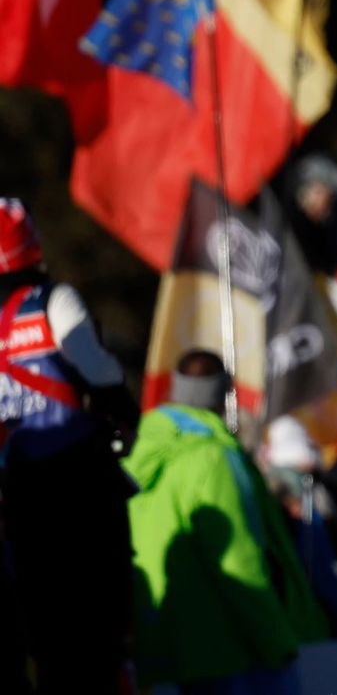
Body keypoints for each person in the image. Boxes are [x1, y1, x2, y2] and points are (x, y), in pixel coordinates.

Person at [123, 349, 327, 693]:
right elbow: (238, 560)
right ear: (223, 394)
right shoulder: (213, 457)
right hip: (231, 649)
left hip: (168, 648)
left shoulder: (140, 455)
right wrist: (276, 640)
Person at [0, 198, 140, 694]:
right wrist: (131, 419)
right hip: (81, 479)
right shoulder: (52, 302)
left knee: (46, 626)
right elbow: (100, 373)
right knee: (102, 618)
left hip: (18, 489)